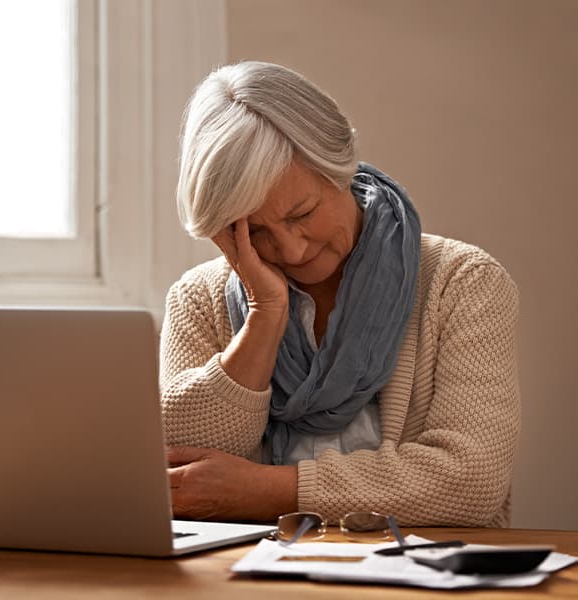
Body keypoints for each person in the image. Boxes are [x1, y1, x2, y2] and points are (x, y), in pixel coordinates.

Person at [161, 61, 519, 527]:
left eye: (301, 213)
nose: (289, 248)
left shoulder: (462, 282)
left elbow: (471, 482)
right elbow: (182, 477)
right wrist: (263, 315)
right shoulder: (198, 299)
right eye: (255, 231)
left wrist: (266, 490)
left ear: (341, 168)